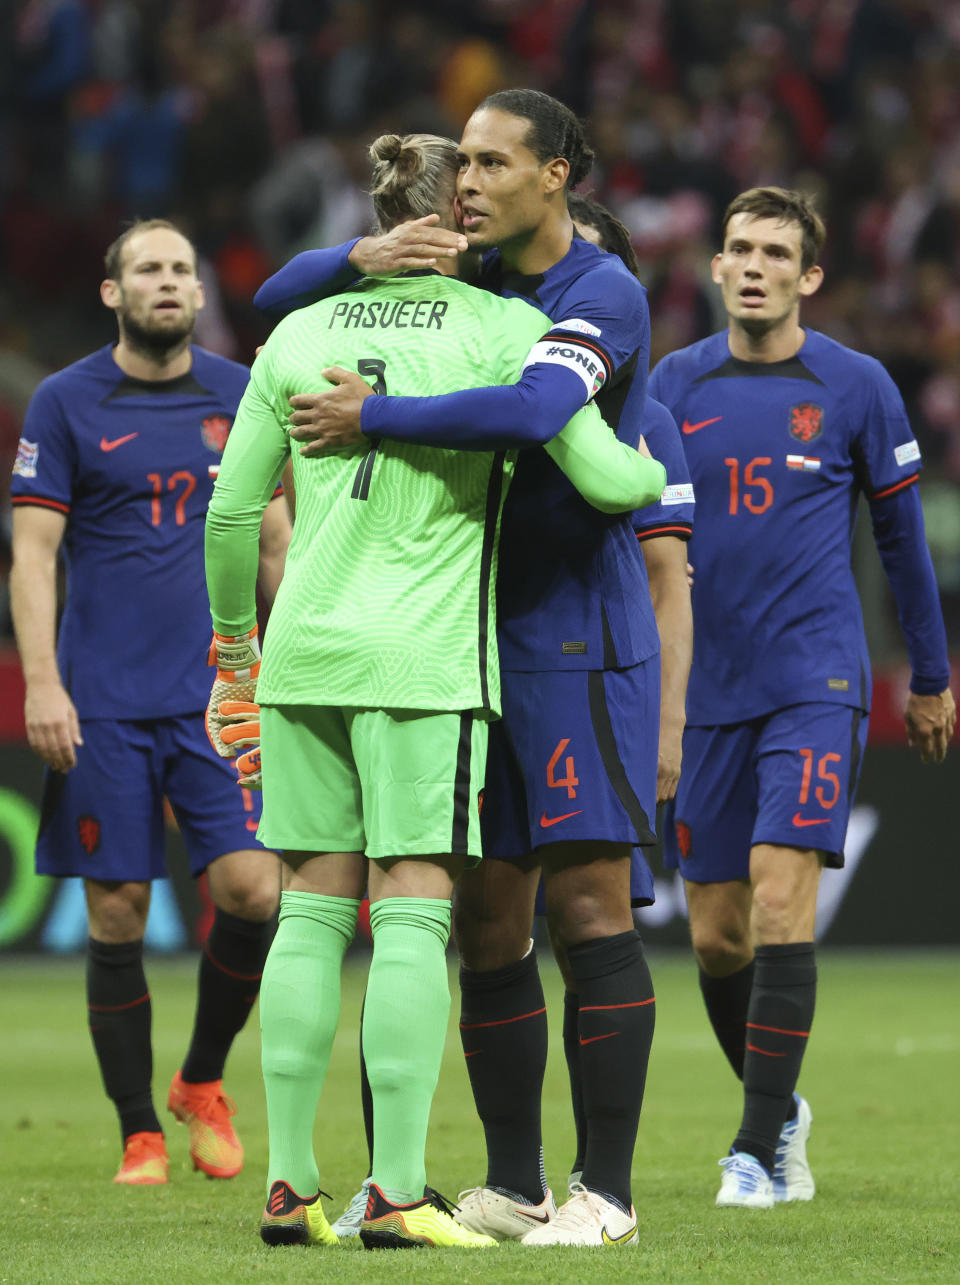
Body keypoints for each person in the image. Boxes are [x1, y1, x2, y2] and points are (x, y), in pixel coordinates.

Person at [204, 131, 666, 1251]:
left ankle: (292, 1186)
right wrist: (656, 464)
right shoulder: (507, 327)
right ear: (455, 221)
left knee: (314, 905)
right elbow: (610, 473)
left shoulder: (297, 330)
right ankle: (400, 1192)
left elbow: (227, 518)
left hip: (302, 649)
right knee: (417, 901)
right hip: (424, 656)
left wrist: (233, 654)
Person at [648, 186, 956, 1208]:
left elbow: (905, 544)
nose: (751, 265)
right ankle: (782, 1111)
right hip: (705, 691)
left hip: (815, 680)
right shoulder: (672, 383)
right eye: (737, 247)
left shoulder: (857, 385)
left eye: (775, 252)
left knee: (785, 903)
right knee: (716, 934)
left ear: (808, 275)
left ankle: (752, 1150)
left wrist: (931, 672)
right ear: (717, 264)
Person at [8, 219, 289, 1186]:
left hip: (221, 702)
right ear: (112, 293)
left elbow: (276, 544)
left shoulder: (242, 394)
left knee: (256, 891)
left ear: (200, 293)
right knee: (118, 913)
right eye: (148, 270)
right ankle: (138, 1131)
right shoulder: (65, 401)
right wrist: (43, 680)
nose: (168, 283)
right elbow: (34, 556)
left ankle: (201, 1080)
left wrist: (293, 671)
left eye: (181, 269)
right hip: (102, 704)